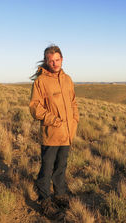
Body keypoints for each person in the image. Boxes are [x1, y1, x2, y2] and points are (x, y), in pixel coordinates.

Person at [29, 45, 79, 219]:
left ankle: (60, 195)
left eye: (57, 59)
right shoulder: (41, 81)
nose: (54, 63)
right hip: (51, 133)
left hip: (67, 133)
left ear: (62, 59)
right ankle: (45, 201)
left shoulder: (68, 79)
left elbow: (73, 102)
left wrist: (75, 121)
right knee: (47, 169)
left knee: (61, 166)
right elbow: (35, 107)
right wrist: (53, 120)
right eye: (51, 60)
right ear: (46, 61)